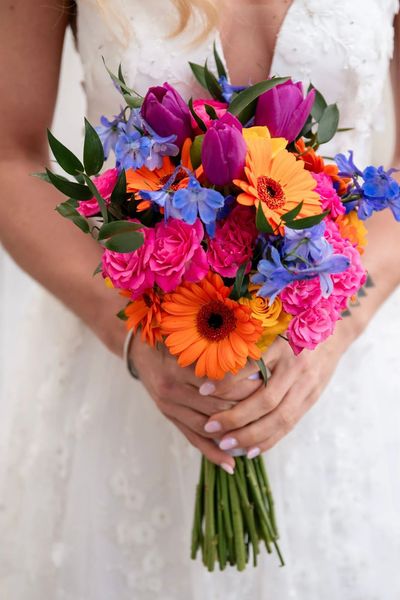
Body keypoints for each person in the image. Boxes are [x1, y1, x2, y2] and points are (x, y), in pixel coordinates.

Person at [1, 0, 400, 598]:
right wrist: (131, 336)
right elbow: (8, 154)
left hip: (328, 384)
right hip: (124, 373)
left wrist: (334, 326)